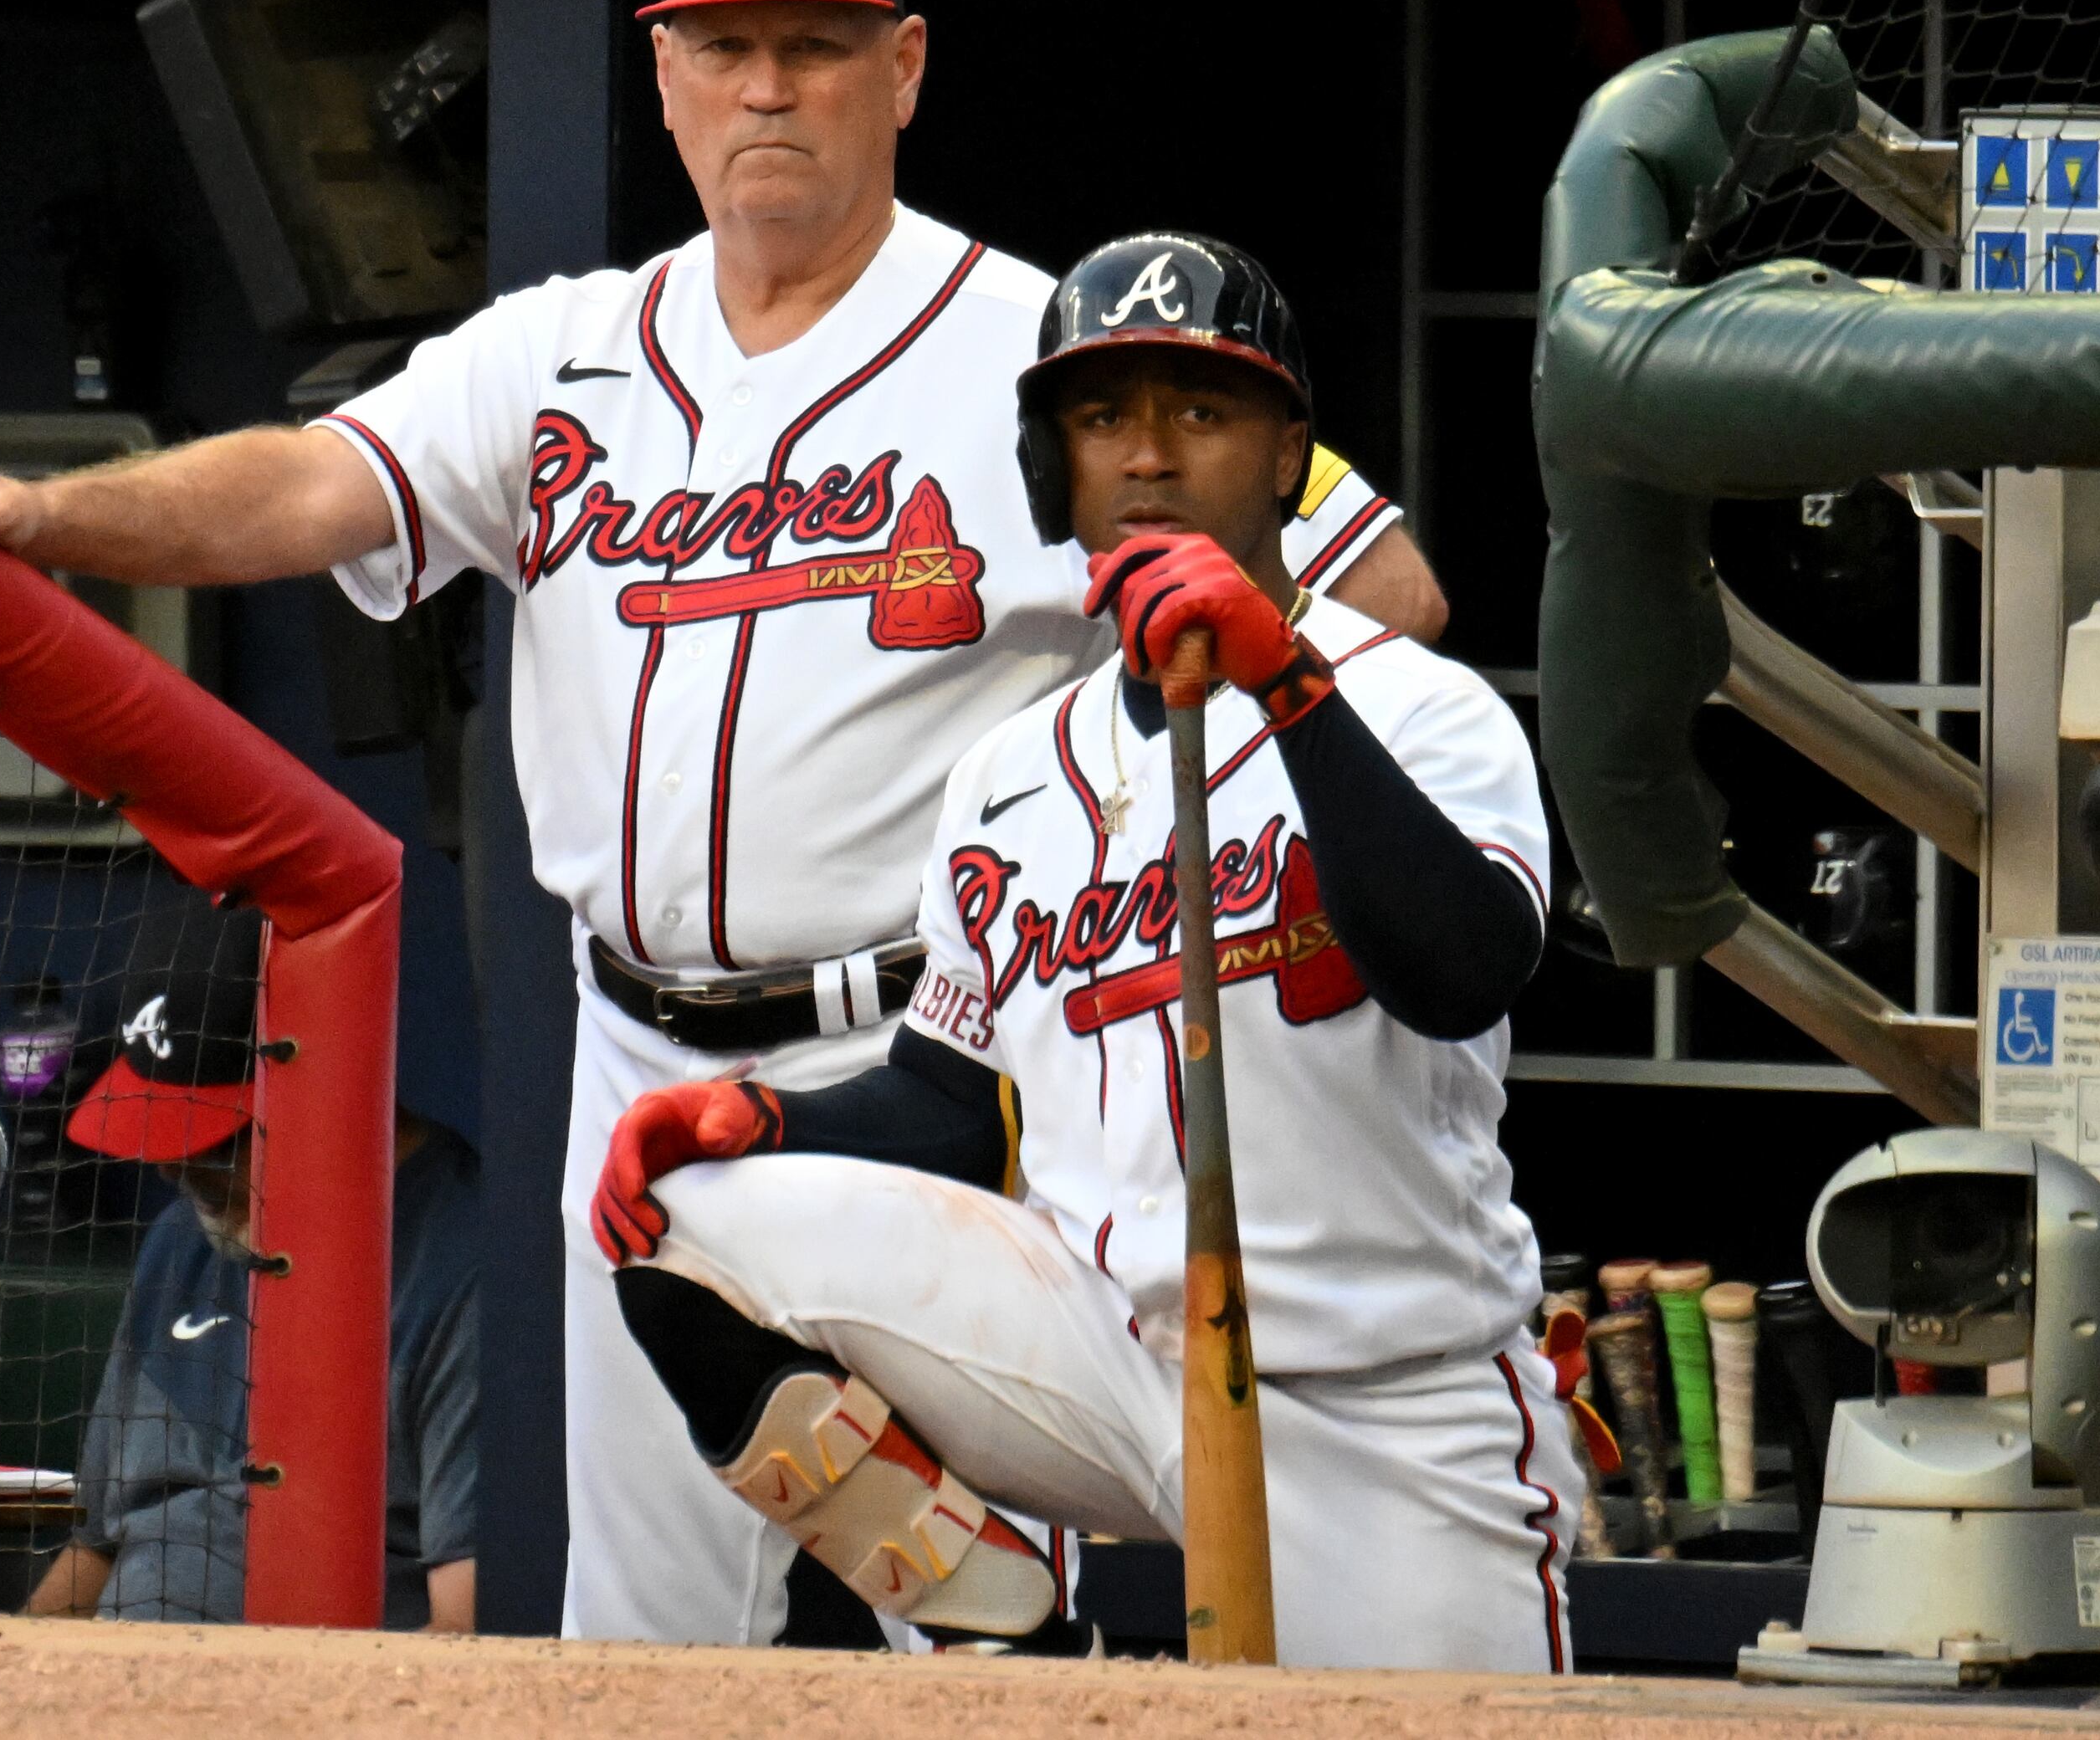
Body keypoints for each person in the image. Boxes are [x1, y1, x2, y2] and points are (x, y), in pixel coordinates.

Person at [0, 0, 1444, 1645]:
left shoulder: (1040, 349)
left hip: (933, 1058)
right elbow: (316, 478)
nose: (768, 87)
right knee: (643, 1631)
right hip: (637, 1061)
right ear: (665, 74)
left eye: (816, 43)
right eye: (725, 45)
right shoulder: (562, 352)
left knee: (980, 1627)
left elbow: (1383, 587)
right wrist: (55, 514)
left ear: (904, 69)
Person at [589, 234, 1579, 1670]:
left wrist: (1284, 679)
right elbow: (953, 1101)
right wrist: (763, 1112)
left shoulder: (1418, 708)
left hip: (1382, 1395)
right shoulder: (1007, 771)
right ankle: (1024, 1658)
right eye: (1105, 418)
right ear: (1054, 462)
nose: (1152, 455)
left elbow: (1462, 968)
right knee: (695, 1222)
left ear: (1291, 449)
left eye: (1204, 410)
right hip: (1106, 1363)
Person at [23, 924, 478, 1627]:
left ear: (325, 1086)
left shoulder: (464, 1260)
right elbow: (102, 1545)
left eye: (213, 1143)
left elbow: (465, 1628)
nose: (178, 1173)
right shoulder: (184, 1237)